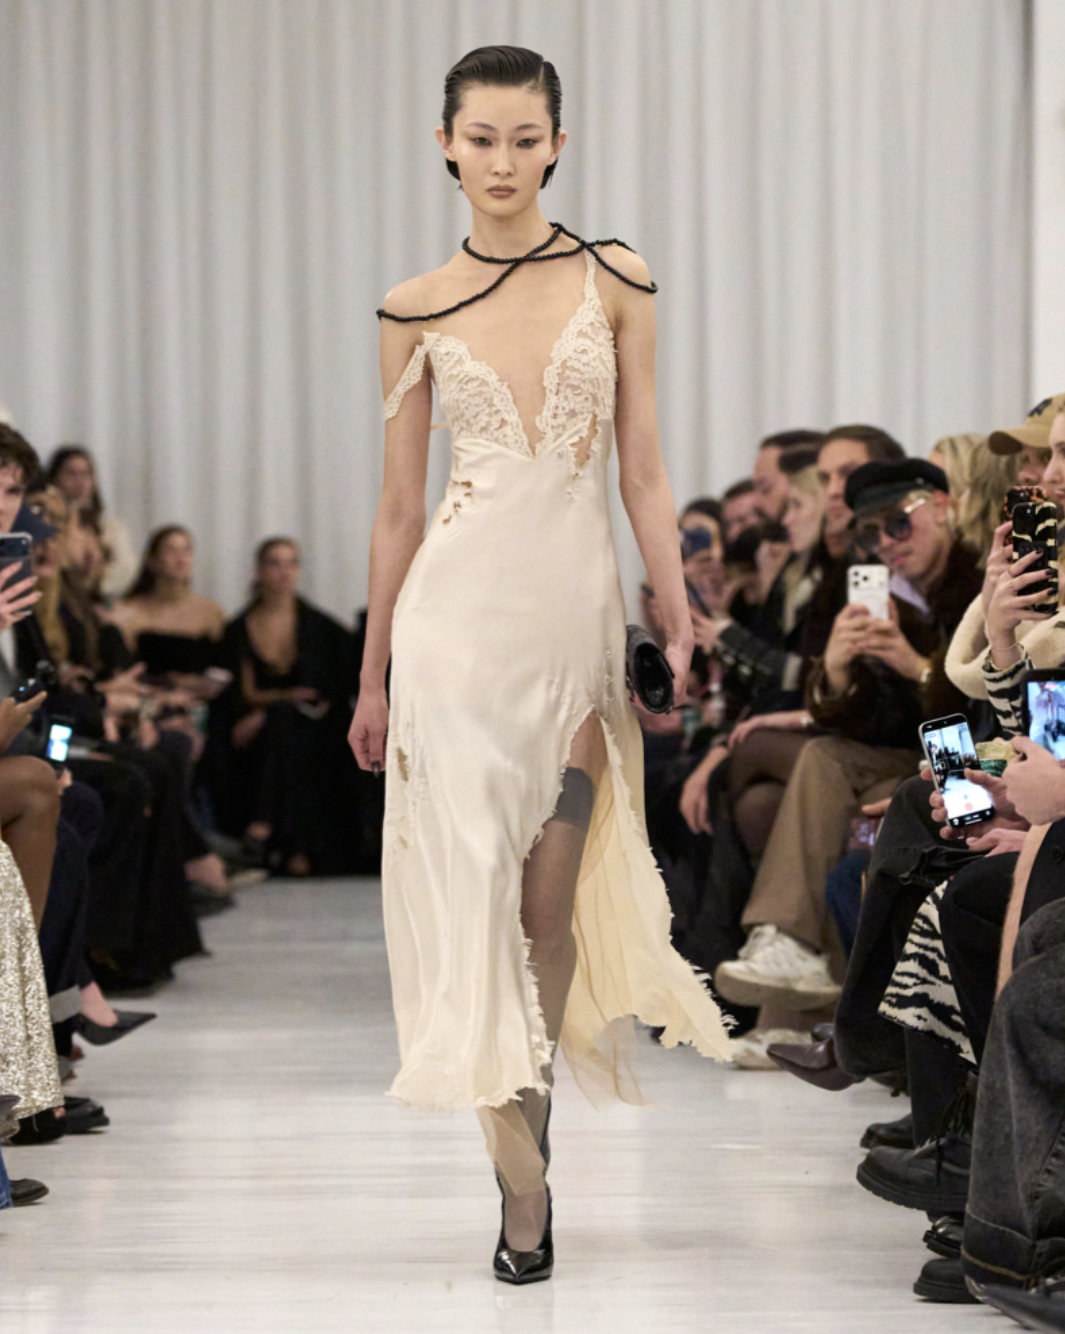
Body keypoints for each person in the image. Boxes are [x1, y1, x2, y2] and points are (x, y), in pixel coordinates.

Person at [348, 44, 731, 1283]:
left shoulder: (616, 277)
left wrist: (674, 599)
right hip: (451, 636)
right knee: (472, 901)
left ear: (558, 144)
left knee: (545, 909)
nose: (503, 160)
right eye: (482, 138)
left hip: (571, 629)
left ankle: (534, 1113)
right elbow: (398, 512)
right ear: (445, 146)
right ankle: (522, 1182)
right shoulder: (412, 305)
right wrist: (371, 675)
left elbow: (644, 467)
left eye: (526, 138)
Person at [207, 538, 357, 876]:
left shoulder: (321, 628)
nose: (284, 571)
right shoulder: (238, 630)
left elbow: (328, 689)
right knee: (280, 725)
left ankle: (264, 826)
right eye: (275, 563)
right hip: (260, 730)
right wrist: (274, 706)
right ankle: (294, 848)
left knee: (284, 723)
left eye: (291, 563)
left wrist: (270, 709)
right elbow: (236, 691)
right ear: (259, 571)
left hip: (315, 728)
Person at [46, 445, 138, 602]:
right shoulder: (46, 527)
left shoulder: (110, 529)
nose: (80, 482)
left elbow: (127, 571)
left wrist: (97, 576)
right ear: (55, 479)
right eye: (71, 474)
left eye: (86, 474)